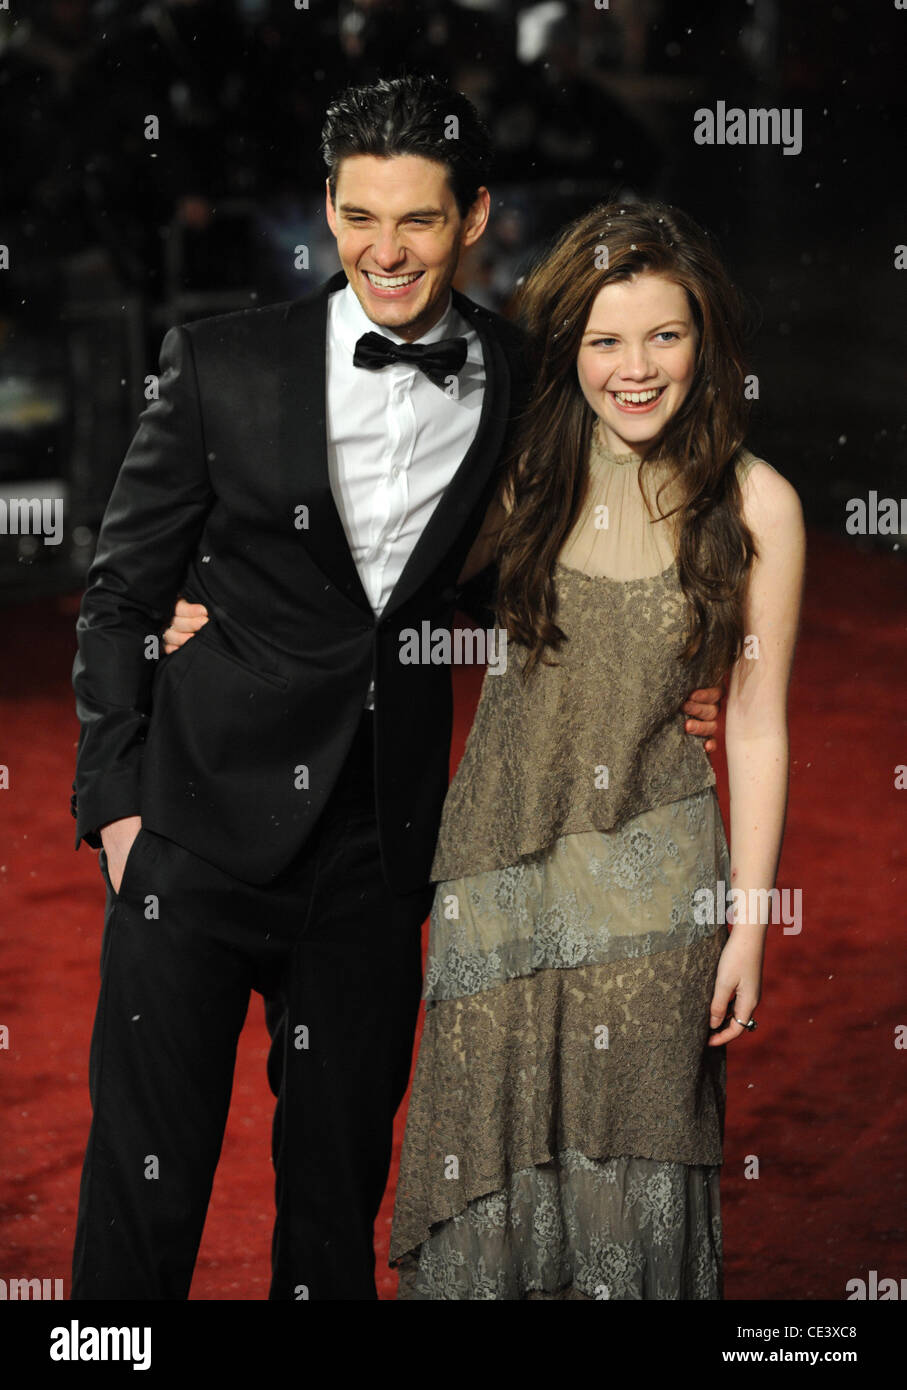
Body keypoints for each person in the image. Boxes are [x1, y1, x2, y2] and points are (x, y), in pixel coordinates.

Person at [71, 75, 723, 1302]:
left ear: (472, 216)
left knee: (333, 1210)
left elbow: (599, 508)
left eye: (417, 220)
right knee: (140, 1202)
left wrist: (691, 662)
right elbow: (116, 594)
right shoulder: (220, 363)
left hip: (375, 861)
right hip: (192, 839)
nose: (385, 250)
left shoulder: (530, 376)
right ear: (328, 207)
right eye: (359, 216)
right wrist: (113, 807)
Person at [387, 200, 806, 1299]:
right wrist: (197, 601)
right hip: (500, 873)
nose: (635, 368)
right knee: (483, 1175)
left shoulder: (759, 504)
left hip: (654, 889)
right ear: (565, 345)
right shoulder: (517, 477)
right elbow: (368, 573)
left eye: (664, 335)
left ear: (703, 341)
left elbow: (756, 724)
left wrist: (749, 927)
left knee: (626, 1187)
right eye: (603, 339)